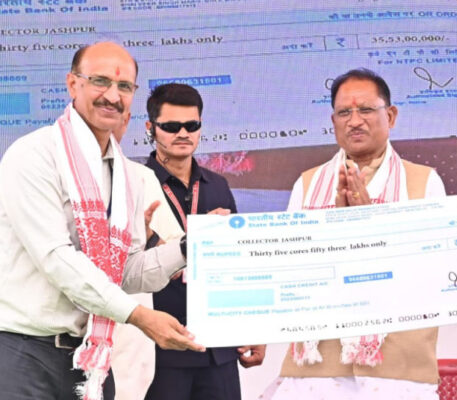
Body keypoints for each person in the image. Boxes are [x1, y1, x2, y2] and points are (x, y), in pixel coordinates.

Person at [0, 42, 204, 400]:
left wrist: (192, 247)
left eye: (124, 86)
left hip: (91, 359)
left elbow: (124, 272)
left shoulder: (127, 175)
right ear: (72, 84)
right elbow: (56, 258)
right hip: (25, 354)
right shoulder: (34, 155)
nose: (112, 95)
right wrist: (139, 316)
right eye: (100, 81)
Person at [262, 68, 446, 400]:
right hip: (318, 366)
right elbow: (290, 268)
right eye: (344, 112)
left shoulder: (423, 182)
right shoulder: (308, 184)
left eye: (366, 110)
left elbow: (431, 270)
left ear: (391, 116)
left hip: (397, 363)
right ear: (333, 121)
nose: (355, 121)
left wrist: (368, 224)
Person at [142, 83, 265, 400]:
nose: (183, 133)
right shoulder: (135, 185)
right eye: (171, 126)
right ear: (150, 128)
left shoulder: (217, 184)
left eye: (191, 125)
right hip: (161, 349)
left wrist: (254, 327)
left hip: (218, 349)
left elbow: (238, 263)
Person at [109, 111, 185, 400]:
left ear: (126, 121)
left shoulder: (140, 177)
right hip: (64, 329)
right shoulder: (50, 172)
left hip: (129, 327)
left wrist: (147, 237)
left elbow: (174, 256)